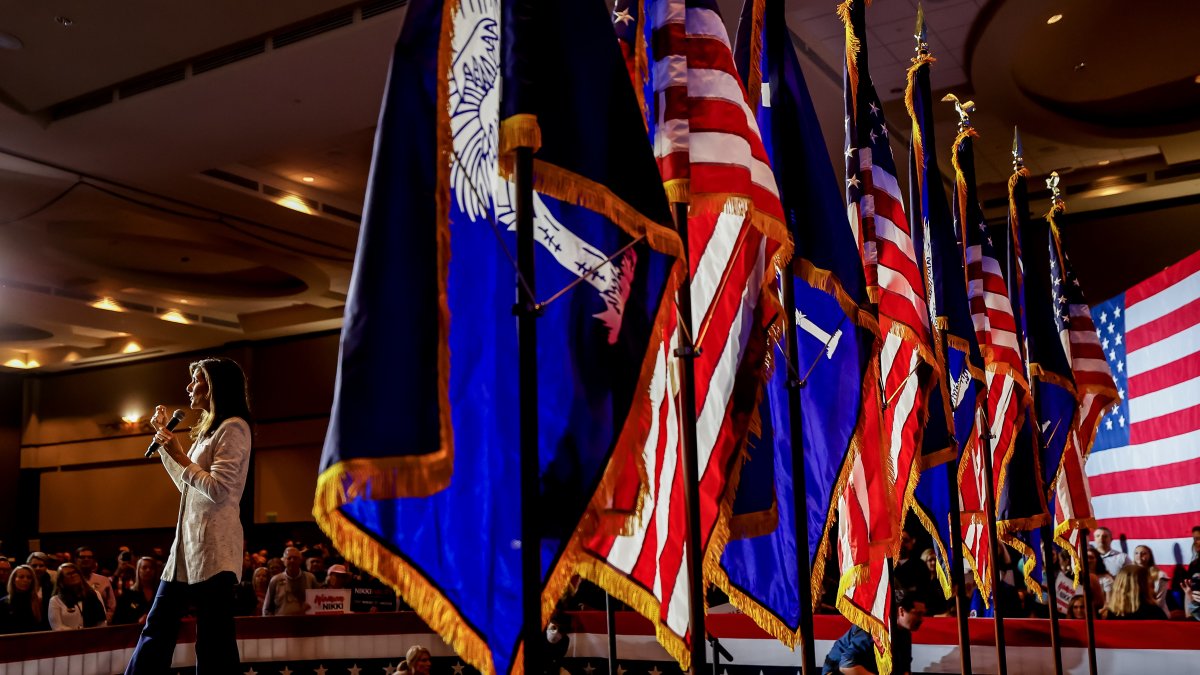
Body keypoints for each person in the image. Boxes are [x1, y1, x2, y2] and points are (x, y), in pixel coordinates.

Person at [124, 357, 253, 674]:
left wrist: (179, 453)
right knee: (157, 628)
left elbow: (220, 490)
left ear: (214, 386)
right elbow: (189, 486)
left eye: (196, 379)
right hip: (185, 548)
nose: (188, 386)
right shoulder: (208, 431)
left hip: (213, 550)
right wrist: (170, 451)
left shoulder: (234, 428)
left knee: (214, 641)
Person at [823, 588, 926, 674]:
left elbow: (904, 669)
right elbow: (847, 666)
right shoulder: (874, 626)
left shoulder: (905, 633)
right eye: (918, 614)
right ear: (901, 611)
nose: (921, 619)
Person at [48, 563, 106, 630]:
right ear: (61, 581)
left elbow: (102, 622)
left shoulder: (94, 594)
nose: (73, 575)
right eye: (69, 574)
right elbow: (57, 626)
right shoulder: (55, 600)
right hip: (68, 638)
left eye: (75, 572)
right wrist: (77, 633)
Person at [264, 547, 319, 616]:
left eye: (295, 558)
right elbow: (267, 609)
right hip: (281, 624)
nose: (292, 560)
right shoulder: (275, 580)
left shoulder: (310, 578)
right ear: (284, 561)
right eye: (289, 558)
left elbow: (318, 605)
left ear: (300, 560)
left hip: (305, 624)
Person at [0, 564, 49, 633]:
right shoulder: (3, 603)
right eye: (21, 577)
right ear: (14, 580)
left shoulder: (38, 602)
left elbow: (43, 627)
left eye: (29, 577)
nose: (25, 580)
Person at [76, 546, 117, 623]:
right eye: (82, 557)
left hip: (101, 623)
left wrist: (107, 618)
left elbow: (112, 604)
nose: (86, 559)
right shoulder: (70, 580)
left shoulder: (104, 580)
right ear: (76, 560)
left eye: (89, 557)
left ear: (94, 560)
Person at [113, 557, 159, 625]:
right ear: (138, 570)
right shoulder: (128, 595)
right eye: (144, 567)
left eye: (151, 568)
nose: (148, 570)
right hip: (133, 632)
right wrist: (137, 621)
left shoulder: (161, 594)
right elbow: (118, 620)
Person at [1131, 545, 1171, 615]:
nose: (1139, 555)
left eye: (1143, 553)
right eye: (1136, 553)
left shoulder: (1160, 575)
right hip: (1134, 613)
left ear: (1150, 556)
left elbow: (1160, 602)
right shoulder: (1128, 575)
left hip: (1157, 613)